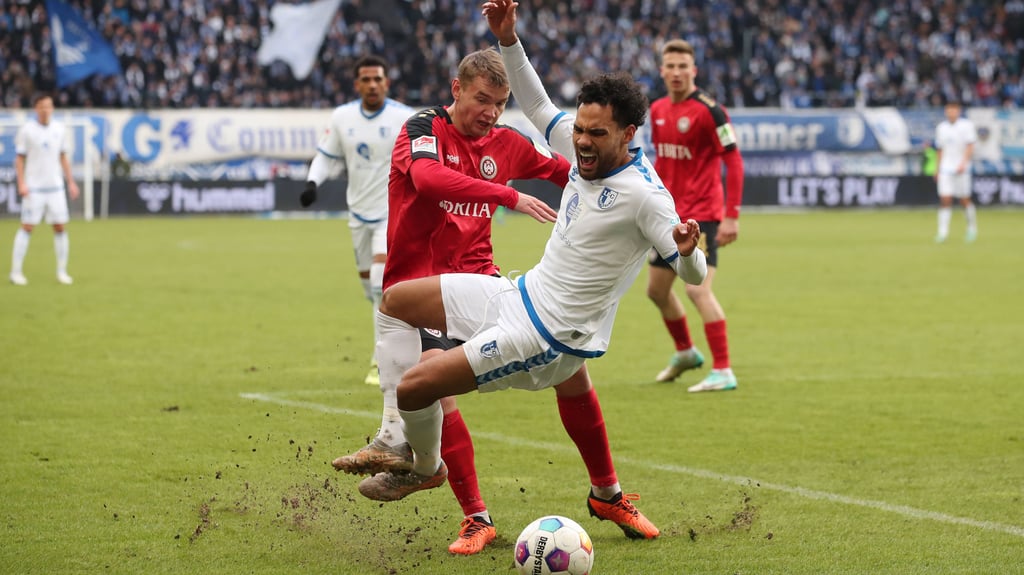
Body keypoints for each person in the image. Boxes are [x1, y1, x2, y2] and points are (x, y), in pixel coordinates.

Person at [350, 0, 707, 546]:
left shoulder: (646, 199)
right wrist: (509, 39)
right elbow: (539, 104)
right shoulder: (575, 146)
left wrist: (685, 252)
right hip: (519, 293)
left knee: (418, 387)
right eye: (580, 130)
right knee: (395, 300)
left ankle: (425, 469)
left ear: (629, 133)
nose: (580, 141)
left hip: (543, 334)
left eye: (595, 134)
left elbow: (696, 276)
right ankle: (606, 496)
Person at [301, 56, 414, 386]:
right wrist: (312, 183)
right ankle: (398, 340)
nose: (373, 85)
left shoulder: (403, 118)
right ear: (357, 84)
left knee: (381, 282)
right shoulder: (342, 118)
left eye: (378, 79)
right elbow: (326, 157)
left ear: (387, 83)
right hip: (358, 217)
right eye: (366, 79)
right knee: (371, 290)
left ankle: (382, 359)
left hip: (390, 215)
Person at [646, 39, 745, 392]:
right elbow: (662, 163)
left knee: (697, 290)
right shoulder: (656, 110)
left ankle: (723, 369)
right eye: (670, 66)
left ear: (694, 70)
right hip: (667, 217)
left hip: (701, 216)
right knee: (657, 291)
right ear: (662, 70)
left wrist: (731, 216)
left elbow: (733, 161)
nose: (676, 72)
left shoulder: (710, 110)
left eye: (682, 66)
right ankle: (686, 352)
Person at [9, 93, 79, 286]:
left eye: (48, 106)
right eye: (42, 106)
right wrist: (21, 183)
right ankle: (16, 271)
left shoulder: (59, 129)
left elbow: (63, 157)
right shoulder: (27, 130)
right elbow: (19, 159)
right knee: (27, 226)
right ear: (36, 108)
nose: (45, 109)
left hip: (55, 187)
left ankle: (62, 271)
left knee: (60, 226)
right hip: (35, 188)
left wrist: (71, 182)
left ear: (53, 108)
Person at [933, 99, 978, 243]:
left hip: (962, 169)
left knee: (964, 200)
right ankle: (942, 232)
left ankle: (972, 228)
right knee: (945, 199)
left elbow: (970, 146)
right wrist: (937, 168)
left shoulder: (966, 126)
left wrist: (963, 163)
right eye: (948, 110)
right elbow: (940, 150)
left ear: (958, 111)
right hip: (946, 168)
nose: (951, 112)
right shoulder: (941, 128)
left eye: (954, 109)